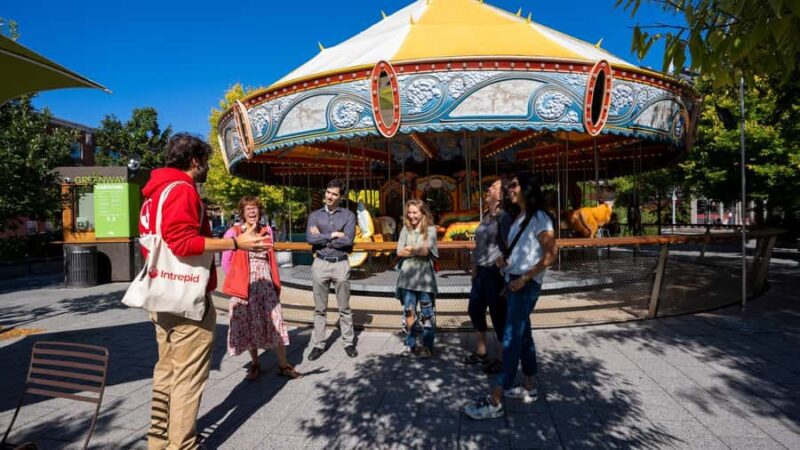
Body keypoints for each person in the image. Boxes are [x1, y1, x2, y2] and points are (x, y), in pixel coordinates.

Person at [140, 134, 268, 449]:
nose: (208, 168)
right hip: (186, 299)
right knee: (188, 378)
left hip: (159, 291)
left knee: (166, 372)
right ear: (195, 161)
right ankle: (181, 444)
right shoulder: (182, 191)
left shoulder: (154, 194)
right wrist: (236, 243)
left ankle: (158, 439)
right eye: (206, 162)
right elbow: (182, 242)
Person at [464, 174, 558, 420]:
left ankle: (495, 399)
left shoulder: (540, 217)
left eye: (514, 185)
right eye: (507, 187)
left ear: (528, 186)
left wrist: (525, 278)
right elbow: (520, 252)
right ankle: (529, 385)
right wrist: (507, 268)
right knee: (523, 335)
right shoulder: (520, 219)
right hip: (513, 281)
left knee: (511, 337)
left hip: (525, 285)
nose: (509, 190)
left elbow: (551, 253)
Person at [221, 196, 302, 381]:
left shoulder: (267, 231)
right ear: (242, 212)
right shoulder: (233, 233)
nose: (252, 211)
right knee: (250, 323)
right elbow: (226, 262)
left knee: (277, 320)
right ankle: (255, 363)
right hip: (245, 286)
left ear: (259, 211)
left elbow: (271, 257)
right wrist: (237, 280)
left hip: (266, 286)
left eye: (255, 208)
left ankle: (283, 365)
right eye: (248, 208)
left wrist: (274, 281)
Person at [305, 179, 358, 360]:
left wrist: (321, 236)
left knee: (344, 307)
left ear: (340, 197)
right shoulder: (314, 215)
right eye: (328, 192)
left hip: (341, 262)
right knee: (320, 308)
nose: (330, 196)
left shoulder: (349, 216)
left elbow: (348, 240)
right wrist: (334, 234)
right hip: (320, 263)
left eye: (334, 194)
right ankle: (319, 344)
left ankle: (348, 342)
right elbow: (310, 240)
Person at [463, 178, 512, 373]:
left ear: (500, 195)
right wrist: (475, 267)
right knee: (474, 308)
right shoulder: (486, 215)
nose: (489, 188)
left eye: (493, 187)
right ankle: (481, 350)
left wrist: (503, 260)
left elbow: (511, 242)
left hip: (494, 272)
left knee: (498, 312)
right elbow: (479, 244)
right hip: (481, 270)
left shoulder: (504, 217)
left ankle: (501, 357)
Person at [395, 198, 439, 358]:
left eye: (415, 212)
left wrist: (411, 249)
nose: (412, 215)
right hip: (407, 278)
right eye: (410, 212)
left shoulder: (431, 230)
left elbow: (426, 251)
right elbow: (399, 251)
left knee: (427, 313)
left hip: (424, 279)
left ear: (422, 213)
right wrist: (416, 250)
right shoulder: (405, 230)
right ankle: (410, 344)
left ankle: (427, 346)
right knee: (409, 312)